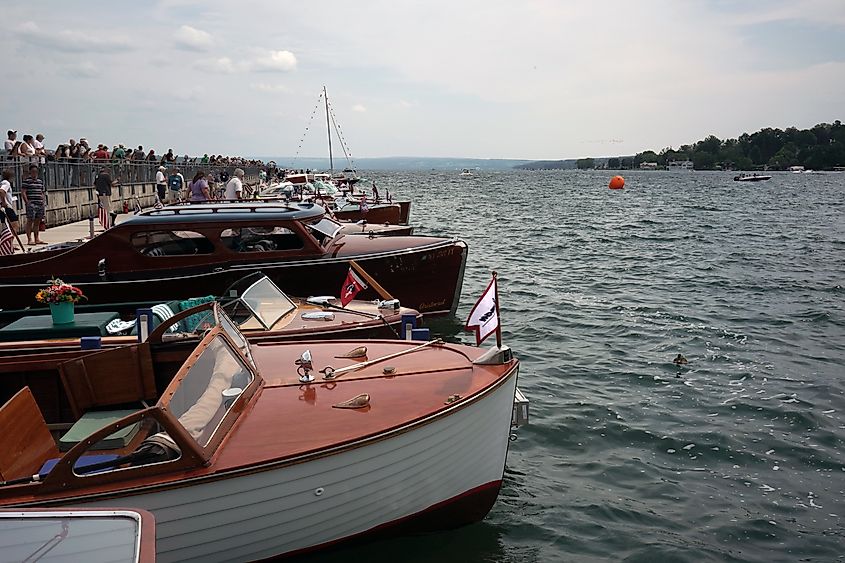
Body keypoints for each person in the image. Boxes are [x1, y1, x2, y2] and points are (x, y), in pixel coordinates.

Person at [20, 164, 46, 245]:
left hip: (39, 204)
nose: (35, 173)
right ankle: (29, 239)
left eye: (36, 171)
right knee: (30, 221)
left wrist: (43, 200)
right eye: (33, 171)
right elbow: (23, 192)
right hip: (31, 204)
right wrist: (27, 202)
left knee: (37, 222)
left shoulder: (40, 181)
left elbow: (42, 192)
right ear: (30, 172)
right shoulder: (26, 181)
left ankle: (37, 238)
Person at [0, 169, 19, 236]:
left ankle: (10, 243)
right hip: (6, 207)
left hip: (5, 206)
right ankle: (9, 243)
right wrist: (4, 202)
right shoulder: (6, 183)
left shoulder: (3, 182)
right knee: (14, 225)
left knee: (7, 226)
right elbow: (2, 191)